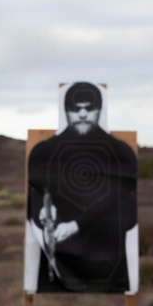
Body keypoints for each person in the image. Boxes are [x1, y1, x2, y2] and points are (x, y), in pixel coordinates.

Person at [25, 80, 138, 293]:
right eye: (76, 109)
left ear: (99, 109)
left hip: (108, 267)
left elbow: (127, 211)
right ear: (66, 110)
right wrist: (42, 209)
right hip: (55, 266)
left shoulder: (121, 154)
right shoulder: (44, 153)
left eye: (89, 108)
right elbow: (34, 195)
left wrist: (77, 224)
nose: (83, 114)